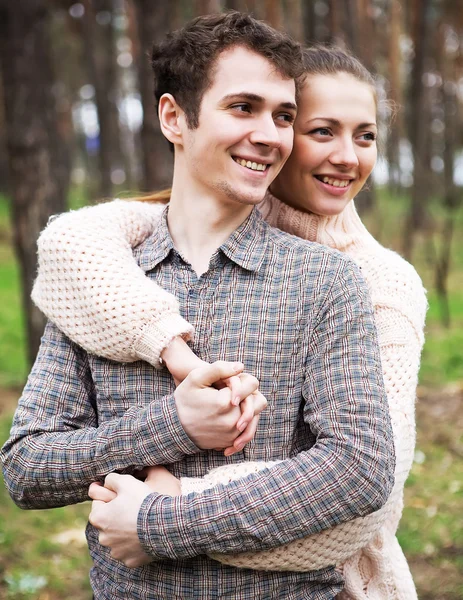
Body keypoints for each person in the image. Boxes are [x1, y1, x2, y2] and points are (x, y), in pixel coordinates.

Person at [1, 13, 395, 600]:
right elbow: (27, 469)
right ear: (173, 118)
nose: (270, 134)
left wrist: (158, 524)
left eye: (283, 116)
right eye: (243, 107)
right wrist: (171, 428)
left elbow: (360, 467)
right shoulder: (102, 277)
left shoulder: (327, 280)